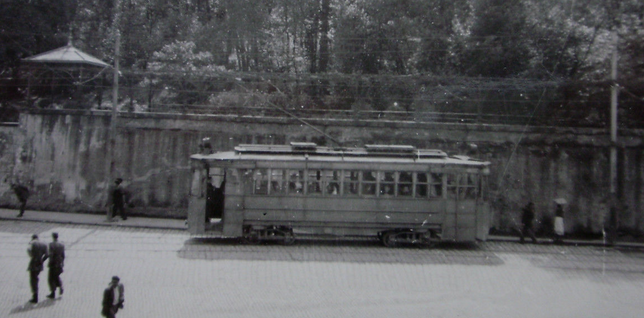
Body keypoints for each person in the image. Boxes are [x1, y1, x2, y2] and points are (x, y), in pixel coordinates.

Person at [27, 234, 48, 303]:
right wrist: (42, 260)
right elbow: (47, 254)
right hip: (40, 263)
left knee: (33, 280)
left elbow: (29, 251)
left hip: (33, 263)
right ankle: (35, 295)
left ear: (33, 238)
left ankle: (35, 296)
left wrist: (32, 256)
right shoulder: (44, 243)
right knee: (36, 277)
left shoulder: (32, 243)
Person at [47, 232, 65, 299]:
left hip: (53, 263)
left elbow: (51, 255)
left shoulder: (51, 244)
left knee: (51, 278)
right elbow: (63, 255)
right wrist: (62, 263)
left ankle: (53, 293)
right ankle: (60, 286)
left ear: (52, 237)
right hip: (59, 262)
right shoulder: (62, 244)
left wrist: (50, 262)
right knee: (57, 276)